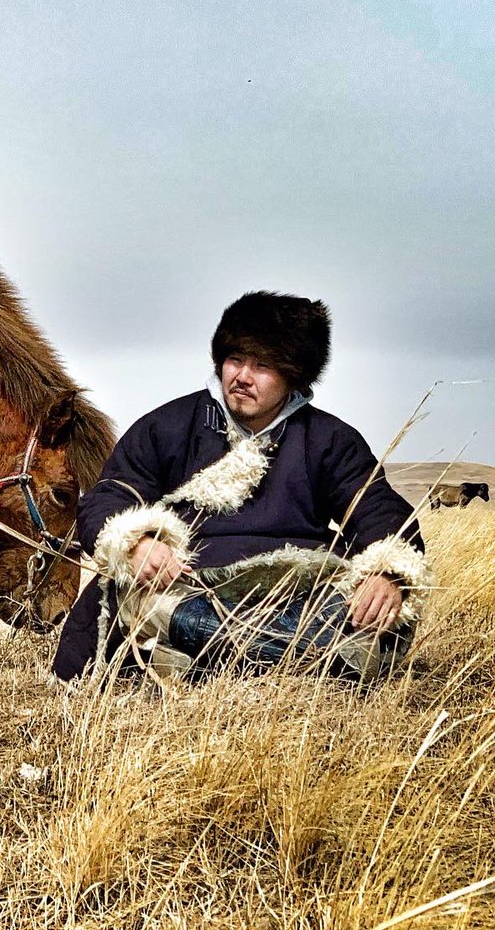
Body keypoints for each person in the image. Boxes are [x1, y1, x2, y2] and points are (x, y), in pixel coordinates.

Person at [52, 291, 431, 683]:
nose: (243, 376)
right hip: (187, 584)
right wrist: (137, 543)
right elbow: (110, 495)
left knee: (365, 613)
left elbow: (377, 509)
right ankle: (306, 658)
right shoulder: (166, 427)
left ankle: (200, 658)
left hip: (294, 590)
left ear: (293, 374)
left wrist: (386, 573)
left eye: (262, 365)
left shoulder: (330, 439)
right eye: (235, 360)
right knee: (149, 603)